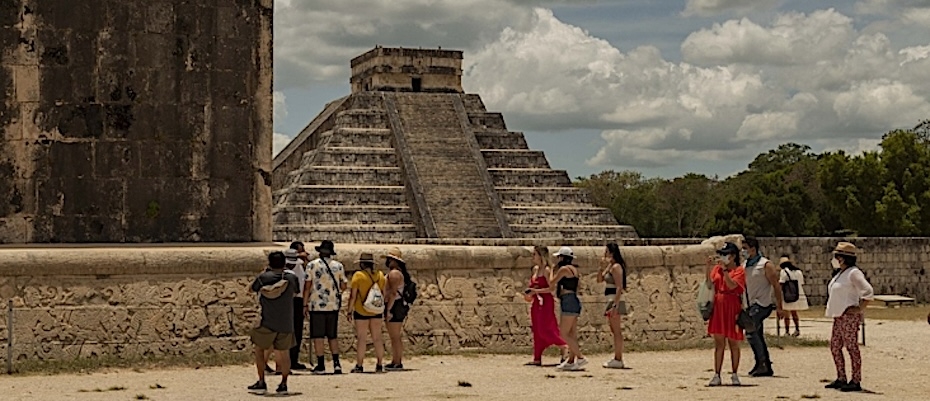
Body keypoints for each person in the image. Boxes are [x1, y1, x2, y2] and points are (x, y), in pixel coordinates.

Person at [825, 242, 874, 393]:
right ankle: (841, 377)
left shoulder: (853, 273)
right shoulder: (841, 273)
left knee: (852, 348)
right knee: (835, 347)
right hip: (838, 315)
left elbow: (868, 291)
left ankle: (856, 379)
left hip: (848, 316)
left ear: (842, 258)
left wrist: (859, 308)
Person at [248, 251, 299, 395]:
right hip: (286, 321)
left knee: (259, 350)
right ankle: (283, 383)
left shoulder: (263, 277)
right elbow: (295, 292)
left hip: (267, 321)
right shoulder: (291, 278)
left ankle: (261, 381)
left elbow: (251, 289)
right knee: (284, 354)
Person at [532, 246, 587, 371]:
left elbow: (551, 282)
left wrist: (552, 270)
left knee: (563, 333)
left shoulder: (563, 270)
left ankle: (580, 357)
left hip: (568, 301)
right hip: (573, 300)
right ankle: (571, 361)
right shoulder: (574, 269)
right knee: (572, 333)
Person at [741, 236, 784, 377]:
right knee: (757, 334)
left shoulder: (765, 265)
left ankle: (762, 363)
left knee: (751, 332)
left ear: (753, 249)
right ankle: (763, 363)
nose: (743, 251)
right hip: (749, 304)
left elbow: (776, 285)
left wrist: (779, 306)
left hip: (762, 304)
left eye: (745, 248)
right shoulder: (745, 265)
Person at [705, 242, 747, 387]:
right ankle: (717, 374)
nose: (722, 257)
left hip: (732, 307)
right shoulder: (717, 269)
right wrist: (708, 268)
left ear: (733, 256)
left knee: (733, 342)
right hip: (718, 306)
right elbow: (710, 285)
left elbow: (732, 285)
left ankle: (734, 373)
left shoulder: (739, 270)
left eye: (725, 254)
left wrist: (724, 272)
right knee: (719, 343)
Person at [305, 240, 348, 374]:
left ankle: (321, 364)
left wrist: (304, 303)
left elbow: (307, 286)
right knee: (332, 335)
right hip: (332, 304)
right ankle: (336, 363)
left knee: (318, 336)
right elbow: (344, 285)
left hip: (317, 304)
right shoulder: (338, 266)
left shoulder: (312, 265)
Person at [524, 245, 567, 366]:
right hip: (536, 303)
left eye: (535, 254)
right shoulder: (535, 270)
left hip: (546, 303)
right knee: (537, 329)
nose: (533, 257)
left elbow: (551, 288)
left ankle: (563, 346)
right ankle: (537, 357)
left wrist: (536, 292)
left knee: (546, 328)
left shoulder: (548, 270)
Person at [347, 252, 388, 373]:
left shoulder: (358, 276)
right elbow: (383, 293)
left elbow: (353, 296)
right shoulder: (380, 275)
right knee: (377, 338)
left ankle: (360, 365)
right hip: (376, 310)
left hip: (362, 310)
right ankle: (380, 363)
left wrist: (349, 310)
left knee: (362, 338)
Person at [598, 242, 627, 369]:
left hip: (614, 300)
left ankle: (618, 358)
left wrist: (615, 304)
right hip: (609, 299)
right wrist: (601, 267)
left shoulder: (616, 267)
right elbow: (599, 279)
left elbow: (620, 286)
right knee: (613, 330)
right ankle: (617, 356)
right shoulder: (610, 267)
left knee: (616, 331)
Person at [382, 247, 411, 371]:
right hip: (397, 305)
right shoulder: (398, 273)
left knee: (394, 336)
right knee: (395, 336)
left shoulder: (394, 274)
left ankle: (397, 361)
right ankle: (395, 360)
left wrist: (388, 309)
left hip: (394, 305)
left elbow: (393, 293)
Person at [285, 245, 309, 370]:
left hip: (290, 301)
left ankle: (291, 359)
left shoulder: (297, 267)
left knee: (295, 331)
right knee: (294, 331)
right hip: (296, 300)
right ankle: (290, 360)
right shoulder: (297, 268)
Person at [778, 256, 809, 336]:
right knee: (794, 313)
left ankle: (787, 331)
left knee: (786, 314)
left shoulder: (784, 271)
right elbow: (801, 283)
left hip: (787, 294)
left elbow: (782, 283)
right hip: (797, 294)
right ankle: (797, 329)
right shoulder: (798, 271)